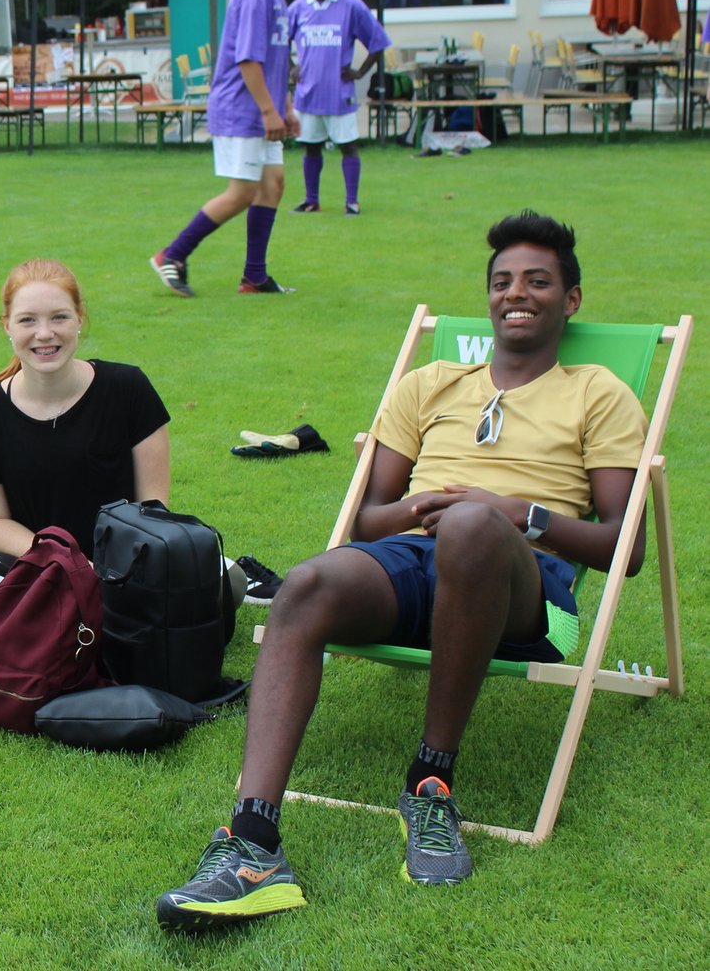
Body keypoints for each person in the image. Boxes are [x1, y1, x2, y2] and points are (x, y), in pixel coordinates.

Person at [155, 211, 647, 931]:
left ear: (570, 299)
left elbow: (623, 547)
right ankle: (253, 843)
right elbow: (369, 519)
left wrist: (516, 513)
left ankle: (430, 783)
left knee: (474, 527)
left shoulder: (597, 392)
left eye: (538, 281)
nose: (517, 293)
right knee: (309, 583)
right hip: (415, 560)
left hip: (532, 594)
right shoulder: (432, 383)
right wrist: (423, 504)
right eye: (503, 281)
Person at [0, 260, 249, 649]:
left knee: (228, 579)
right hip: (39, 571)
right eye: (28, 320)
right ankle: (102, 628)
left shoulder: (128, 387)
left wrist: (114, 572)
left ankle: (32, 629)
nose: (44, 333)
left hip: (126, 569)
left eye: (59, 317)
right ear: (7, 325)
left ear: (79, 318)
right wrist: (65, 563)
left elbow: (153, 508)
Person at [150, 0, 304, 299]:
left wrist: (285, 107)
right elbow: (248, 59)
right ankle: (173, 254)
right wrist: (268, 111)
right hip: (242, 109)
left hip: (262, 108)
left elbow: (275, 60)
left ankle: (254, 276)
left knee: (273, 184)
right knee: (243, 192)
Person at [287, 0, 390, 215]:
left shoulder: (351, 6)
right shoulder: (298, 8)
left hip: (339, 93)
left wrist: (359, 72)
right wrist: (290, 68)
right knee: (311, 147)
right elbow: (277, 43)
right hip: (308, 93)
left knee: (348, 146)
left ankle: (352, 202)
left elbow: (378, 42)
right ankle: (312, 201)